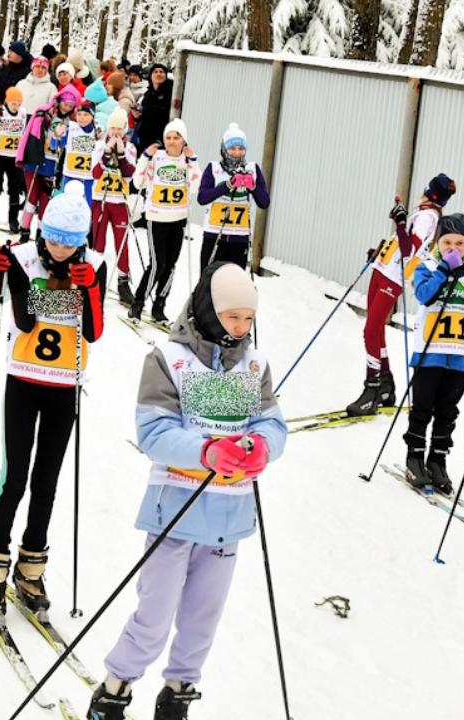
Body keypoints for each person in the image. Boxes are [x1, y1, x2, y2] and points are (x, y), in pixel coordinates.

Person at [86, 261, 287, 720]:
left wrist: (262, 448)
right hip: (174, 511)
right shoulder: (169, 360)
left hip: (229, 518)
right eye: (232, 316)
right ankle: (114, 690)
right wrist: (207, 450)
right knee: (153, 619)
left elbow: (271, 424)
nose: (240, 327)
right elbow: (153, 432)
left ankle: (178, 694)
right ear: (210, 311)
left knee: (202, 620)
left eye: (248, 318)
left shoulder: (254, 366)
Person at [0, 180, 106, 618]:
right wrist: (8, 272)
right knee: (14, 477)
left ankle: (31, 567)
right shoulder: (26, 258)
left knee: (46, 481)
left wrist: (87, 289)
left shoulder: (96, 266)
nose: (59, 249)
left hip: (64, 385)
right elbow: (25, 321)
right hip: (24, 378)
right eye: (53, 238)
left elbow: (93, 331)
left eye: (69, 243)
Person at [346, 173, 456, 417]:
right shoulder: (424, 214)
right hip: (383, 269)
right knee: (375, 331)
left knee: (371, 330)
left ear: (429, 190)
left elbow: (410, 251)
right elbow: (401, 245)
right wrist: (382, 249)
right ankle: (385, 384)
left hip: (391, 278)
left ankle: (372, 388)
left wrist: (399, 222)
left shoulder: (428, 217)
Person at [400, 214, 464, 494]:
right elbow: (425, 295)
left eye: (460, 242)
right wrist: (443, 269)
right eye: (447, 242)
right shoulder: (427, 266)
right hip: (430, 352)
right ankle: (414, 457)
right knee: (423, 407)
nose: (454, 247)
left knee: (447, 410)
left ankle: (438, 460)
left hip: (459, 355)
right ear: (438, 242)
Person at [129, 118, 199, 323]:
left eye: (176, 137)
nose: (171, 141)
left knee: (170, 265)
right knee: (157, 264)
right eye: (168, 137)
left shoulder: (187, 162)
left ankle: (159, 305)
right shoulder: (156, 159)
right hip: (157, 217)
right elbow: (137, 181)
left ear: (183, 140)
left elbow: (195, 187)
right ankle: (138, 303)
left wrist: (193, 161)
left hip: (178, 219)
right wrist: (144, 157)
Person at [196, 123, 269, 270]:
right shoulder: (213, 168)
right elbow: (202, 198)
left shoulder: (252, 169)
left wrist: (253, 187)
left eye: (241, 148)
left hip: (239, 238)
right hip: (215, 235)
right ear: (224, 149)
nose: (237, 153)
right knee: (208, 279)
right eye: (232, 148)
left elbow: (264, 202)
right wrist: (227, 185)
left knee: (234, 285)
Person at [16, 83, 78, 241]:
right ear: (59, 101)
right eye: (65, 104)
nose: (67, 108)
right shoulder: (45, 111)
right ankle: (24, 228)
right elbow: (32, 131)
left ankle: (41, 232)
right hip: (36, 159)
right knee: (31, 197)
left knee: (46, 199)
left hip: (53, 164)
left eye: (71, 106)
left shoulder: (72, 121)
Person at [91, 107, 137, 305]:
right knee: (98, 242)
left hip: (120, 201)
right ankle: (95, 279)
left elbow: (129, 174)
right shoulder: (100, 145)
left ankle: (123, 282)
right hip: (100, 199)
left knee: (121, 244)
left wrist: (120, 154)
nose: (116, 133)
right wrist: (107, 154)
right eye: (113, 128)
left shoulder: (130, 148)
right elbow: (95, 173)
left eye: (120, 129)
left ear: (125, 129)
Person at [0, 85, 27, 232]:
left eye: (19, 104)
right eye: (13, 103)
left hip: (15, 157)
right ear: (7, 101)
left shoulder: (22, 113)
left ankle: (13, 219)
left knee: (14, 189)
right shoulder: (0, 110)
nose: (16, 107)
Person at [56, 99, 99, 205]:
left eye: (86, 115)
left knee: (88, 206)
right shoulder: (71, 129)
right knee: (66, 205)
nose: (82, 118)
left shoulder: (98, 131)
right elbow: (55, 145)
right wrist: (57, 135)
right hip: (70, 175)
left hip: (89, 177)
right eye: (79, 114)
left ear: (92, 116)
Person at [134, 63, 171, 149]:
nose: (158, 74)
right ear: (151, 75)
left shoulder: (170, 93)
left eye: (161, 72)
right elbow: (146, 114)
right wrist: (138, 116)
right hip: (145, 138)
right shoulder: (148, 93)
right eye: (155, 72)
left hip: (161, 138)